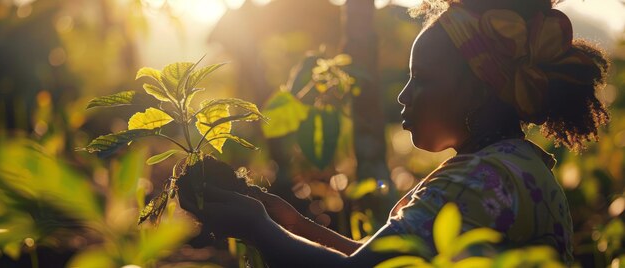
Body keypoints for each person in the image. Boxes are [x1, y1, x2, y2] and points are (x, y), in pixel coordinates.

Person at [178, 0, 610, 266]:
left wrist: (256, 227)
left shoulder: (474, 183)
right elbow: (386, 258)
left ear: (478, 87)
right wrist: (290, 222)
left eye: (421, 78)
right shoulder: (519, 166)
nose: (403, 95)